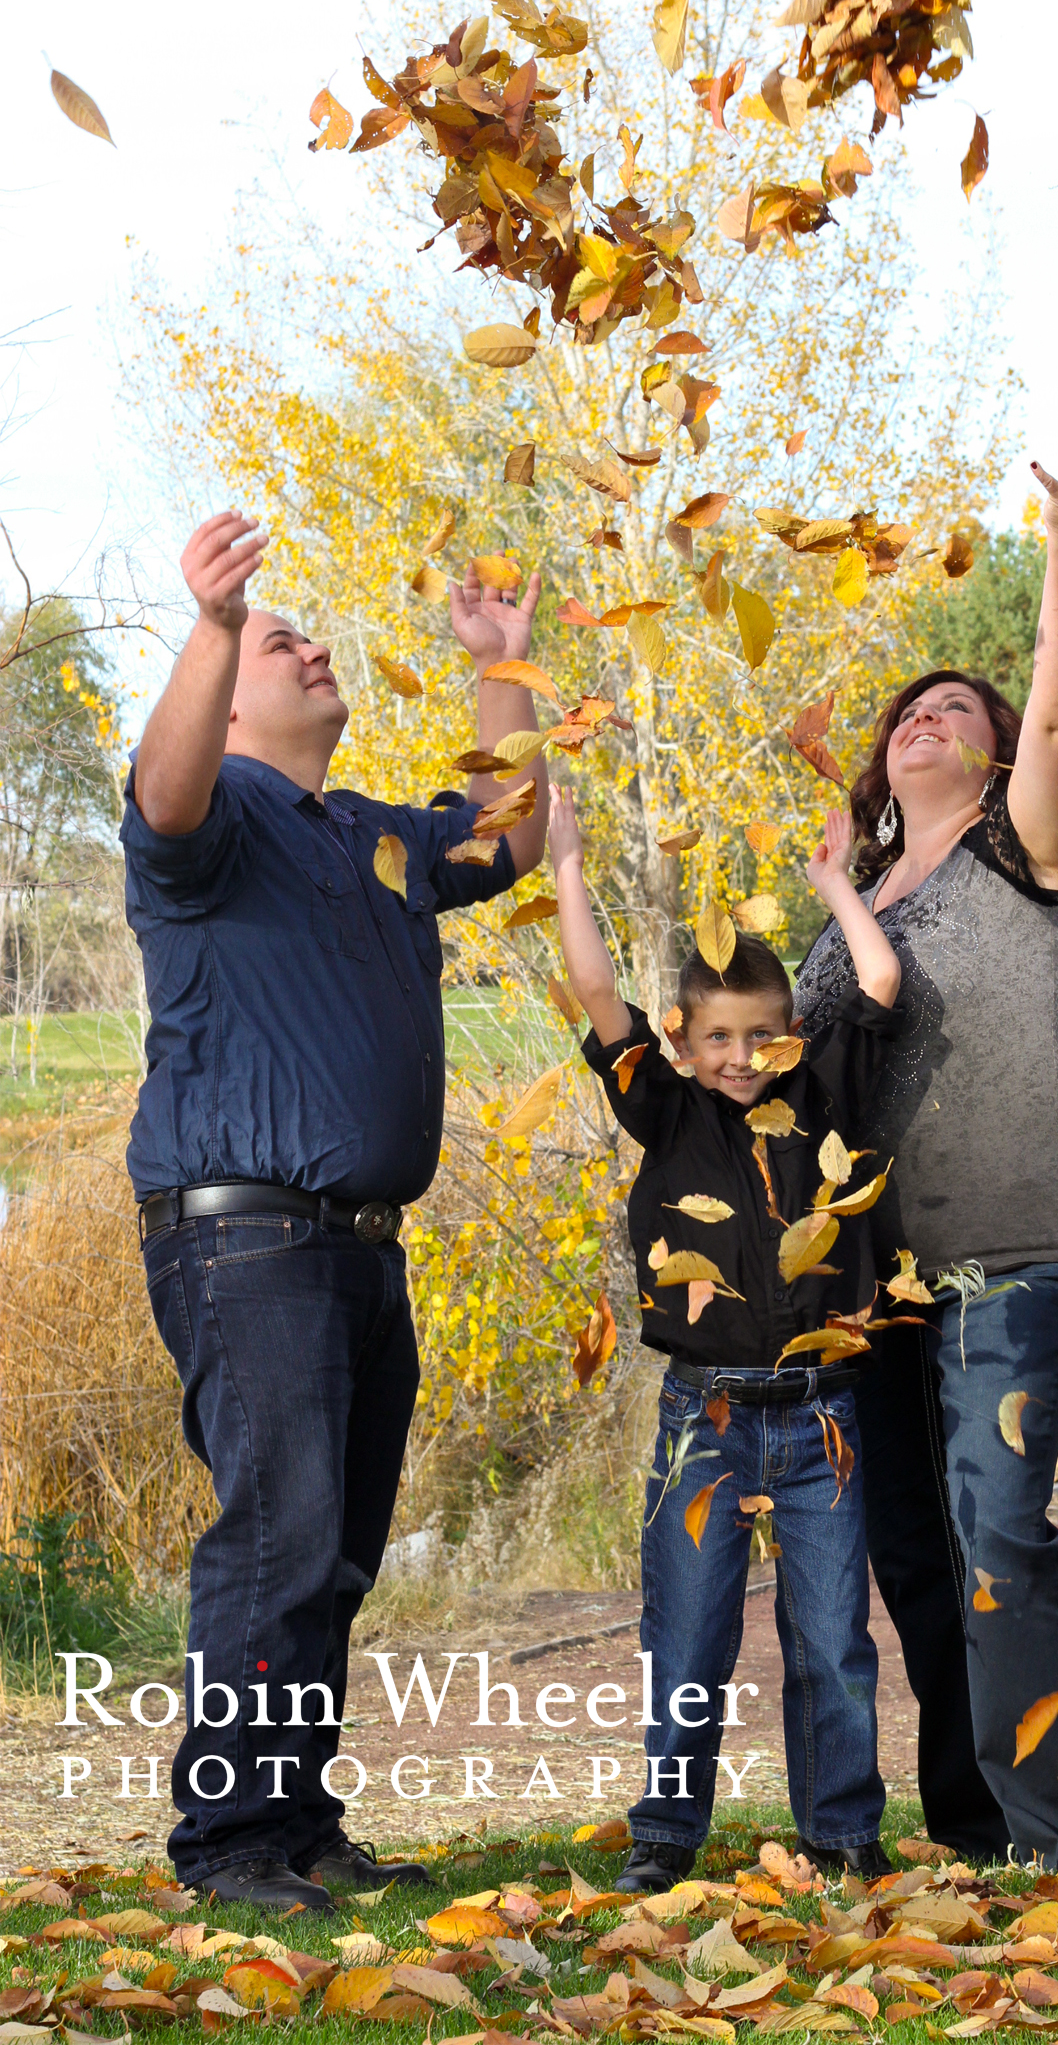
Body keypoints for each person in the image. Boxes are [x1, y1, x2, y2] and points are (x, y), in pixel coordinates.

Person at [123, 511, 547, 1908]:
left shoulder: (363, 833)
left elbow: (506, 837)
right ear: (227, 692)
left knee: (336, 1550)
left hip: (356, 1247)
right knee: (279, 1535)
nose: (306, 644)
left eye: (300, 633)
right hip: (247, 1236)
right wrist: (212, 624)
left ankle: (299, 1824)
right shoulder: (213, 818)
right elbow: (165, 794)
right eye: (278, 640)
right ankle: (230, 1840)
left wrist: (508, 662)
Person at [793, 426, 1058, 1870]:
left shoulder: (1021, 844)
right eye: (907, 710)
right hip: (887, 1277)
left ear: (992, 748)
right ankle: (976, 1820)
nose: (928, 716)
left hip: (1022, 1242)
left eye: (957, 706)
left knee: (999, 1530)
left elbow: (1057, 716)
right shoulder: (852, 895)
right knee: (917, 1555)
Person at [548, 785, 901, 1892]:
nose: (742, 1056)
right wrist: (565, 856)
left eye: (762, 1034)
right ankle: (665, 1840)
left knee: (833, 1643)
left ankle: (840, 1835)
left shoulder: (825, 1091)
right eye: (718, 1038)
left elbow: (879, 982)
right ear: (685, 1042)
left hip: (818, 1419)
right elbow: (597, 988)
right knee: (689, 1632)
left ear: (790, 1032)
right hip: (704, 1412)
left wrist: (835, 886)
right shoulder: (668, 1108)